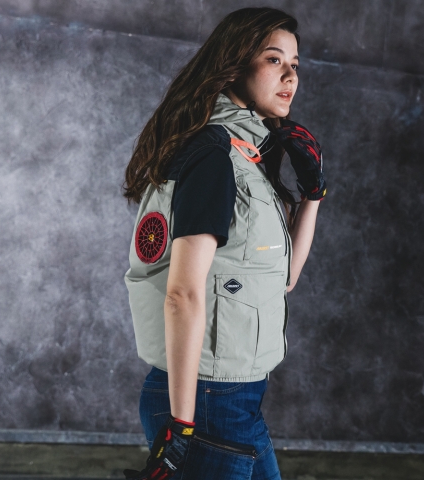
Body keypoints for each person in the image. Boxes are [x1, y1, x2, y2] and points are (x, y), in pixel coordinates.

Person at [122, 7, 326, 480]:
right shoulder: (214, 155)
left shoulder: (243, 156)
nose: (290, 76)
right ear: (234, 65)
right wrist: (182, 425)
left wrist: (313, 195)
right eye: (274, 60)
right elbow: (182, 293)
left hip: (236, 399)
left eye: (295, 64)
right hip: (206, 401)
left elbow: (285, 279)